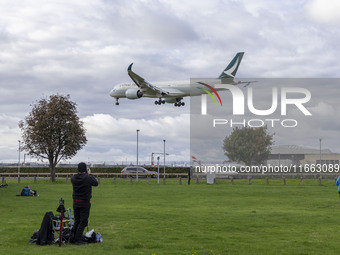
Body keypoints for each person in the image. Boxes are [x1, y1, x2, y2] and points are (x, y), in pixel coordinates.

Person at [71, 162, 98, 245]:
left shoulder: (73, 178)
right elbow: (95, 183)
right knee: (83, 221)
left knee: (77, 221)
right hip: (84, 202)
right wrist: (90, 174)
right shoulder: (87, 177)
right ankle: (78, 239)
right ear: (86, 169)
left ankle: (73, 237)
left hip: (75, 201)